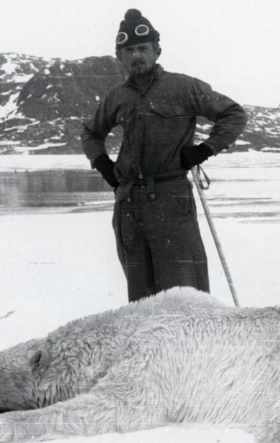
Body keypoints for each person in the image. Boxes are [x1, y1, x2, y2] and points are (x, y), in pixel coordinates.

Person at [81, 9, 247, 302]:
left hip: (171, 200)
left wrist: (205, 150)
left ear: (157, 50)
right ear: (120, 56)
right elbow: (91, 133)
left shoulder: (184, 87)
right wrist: (103, 164)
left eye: (142, 49)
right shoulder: (116, 96)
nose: (136, 56)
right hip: (129, 205)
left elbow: (233, 114)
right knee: (141, 302)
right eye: (128, 50)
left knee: (184, 295)